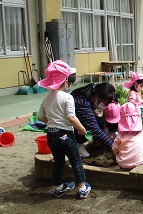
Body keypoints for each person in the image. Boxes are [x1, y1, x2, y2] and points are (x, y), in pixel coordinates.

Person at [37, 60, 91, 199]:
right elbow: (71, 117)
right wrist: (82, 129)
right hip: (65, 134)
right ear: (66, 83)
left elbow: (40, 117)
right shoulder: (67, 97)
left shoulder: (47, 98)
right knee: (76, 160)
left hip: (51, 134)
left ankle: (58, 187)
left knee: (58, 161)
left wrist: (53, 122)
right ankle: (82, 188)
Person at [70, 82, 116, 157]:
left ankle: (95, 142)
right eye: (105, 103)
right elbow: (95, 130)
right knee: (98, 124)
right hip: (68, 129)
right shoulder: (82, 103)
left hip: (73, 122)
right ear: (98, 97)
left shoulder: (92, 91)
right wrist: (113, 147)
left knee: (100, 121)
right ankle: (77, 144)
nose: (105, 106)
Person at [112, 102, 143, 171]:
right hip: (140, 164)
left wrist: (118, 155)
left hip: (123, 165)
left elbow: (114, 149)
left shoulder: (120, 135)